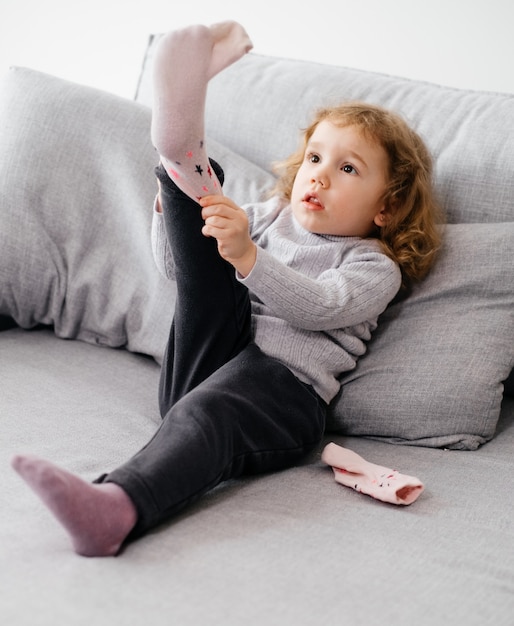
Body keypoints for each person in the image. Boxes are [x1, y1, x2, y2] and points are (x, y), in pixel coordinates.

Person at [11, 22, 442, 557]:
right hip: (203, 362)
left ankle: (115, 506)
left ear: (387, 208)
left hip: (281, 397)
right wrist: (171, 211)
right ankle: (179, 155)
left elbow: (321, 307)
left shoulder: (372, 264)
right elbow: (179, 271)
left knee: (205, 413)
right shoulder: (265, 217)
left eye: (347, 167)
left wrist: (247, 257)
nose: (320, 176)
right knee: (204, 270)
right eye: (314, 158)